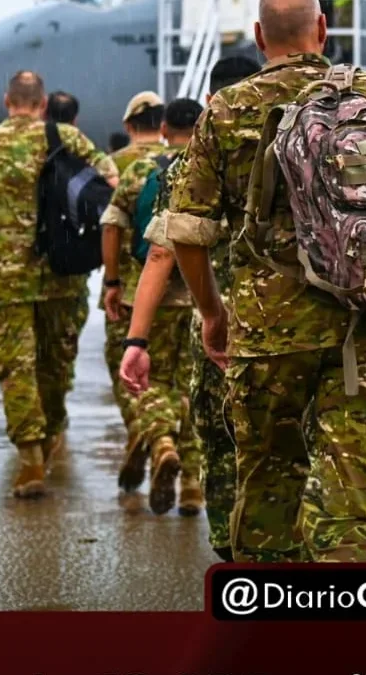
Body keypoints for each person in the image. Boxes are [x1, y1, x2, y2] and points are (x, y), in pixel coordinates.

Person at [162, 0, 366, 563]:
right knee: (355, 503)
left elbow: (188, 232)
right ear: (322, 29)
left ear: (257, 37)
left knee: (270, 488)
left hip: (270, 336)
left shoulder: (227, 109)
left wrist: (212, 313)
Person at [0, 71, 118, 498]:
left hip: (5, 279)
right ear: (41, 105)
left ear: (6, 102)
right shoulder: (66, 138)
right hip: (62, 270)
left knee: (16, 367)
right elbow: (111, 182)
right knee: (56, 364)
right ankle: (53, 432)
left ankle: (30, 459)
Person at [120, 56, 259, 558]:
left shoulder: (193, 162)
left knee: (216, 428)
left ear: (210, 104)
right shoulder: (308, 142)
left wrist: (136, 338)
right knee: (285, 450)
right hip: (297, 327)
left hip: (215, 321)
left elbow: (160, 250)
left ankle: (229, 544)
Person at [100, 98, 205, 516]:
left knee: (149, 383)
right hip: (203, 299)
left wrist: (112, 282)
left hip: (147, 295)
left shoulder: (142, 171)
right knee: (193, 388)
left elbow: (112, 224)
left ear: (163, 129)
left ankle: (161, 443)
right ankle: (194, 485)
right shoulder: (210, 167)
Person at [101, 92, 167, 446]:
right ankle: (184, 473)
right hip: (177, 283)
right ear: (163, 125)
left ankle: (147, 435)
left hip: (126, 286)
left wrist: (111, 279)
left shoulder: (113, 164)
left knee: (124, 368)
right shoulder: (183, 159)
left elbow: (107, 225)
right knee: (173, 375)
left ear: (129, 126)